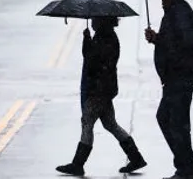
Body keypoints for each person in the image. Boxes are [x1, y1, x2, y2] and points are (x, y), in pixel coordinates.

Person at [56, 16, 146, 176]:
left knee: (87, 122)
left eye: (95, 20)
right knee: (110, 124)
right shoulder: (106, 36)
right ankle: (136, 157)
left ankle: (78, 164)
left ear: (103, 21)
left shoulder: (106, 38)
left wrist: (87, 41)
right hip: (104, 88)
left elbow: (92, 60)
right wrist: (88, 40)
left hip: (99, 89)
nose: (92, 22)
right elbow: (92, 57)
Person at [144, 0, 193, 179]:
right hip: (176, 76)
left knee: (174, 120)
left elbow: (184, 45)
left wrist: (160, 41)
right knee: (171, 119)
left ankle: (186, 166)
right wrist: (157, 39)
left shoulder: (180, 13)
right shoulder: (174, 12)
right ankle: (187, 164)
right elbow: (174, 41)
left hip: (181, 76)